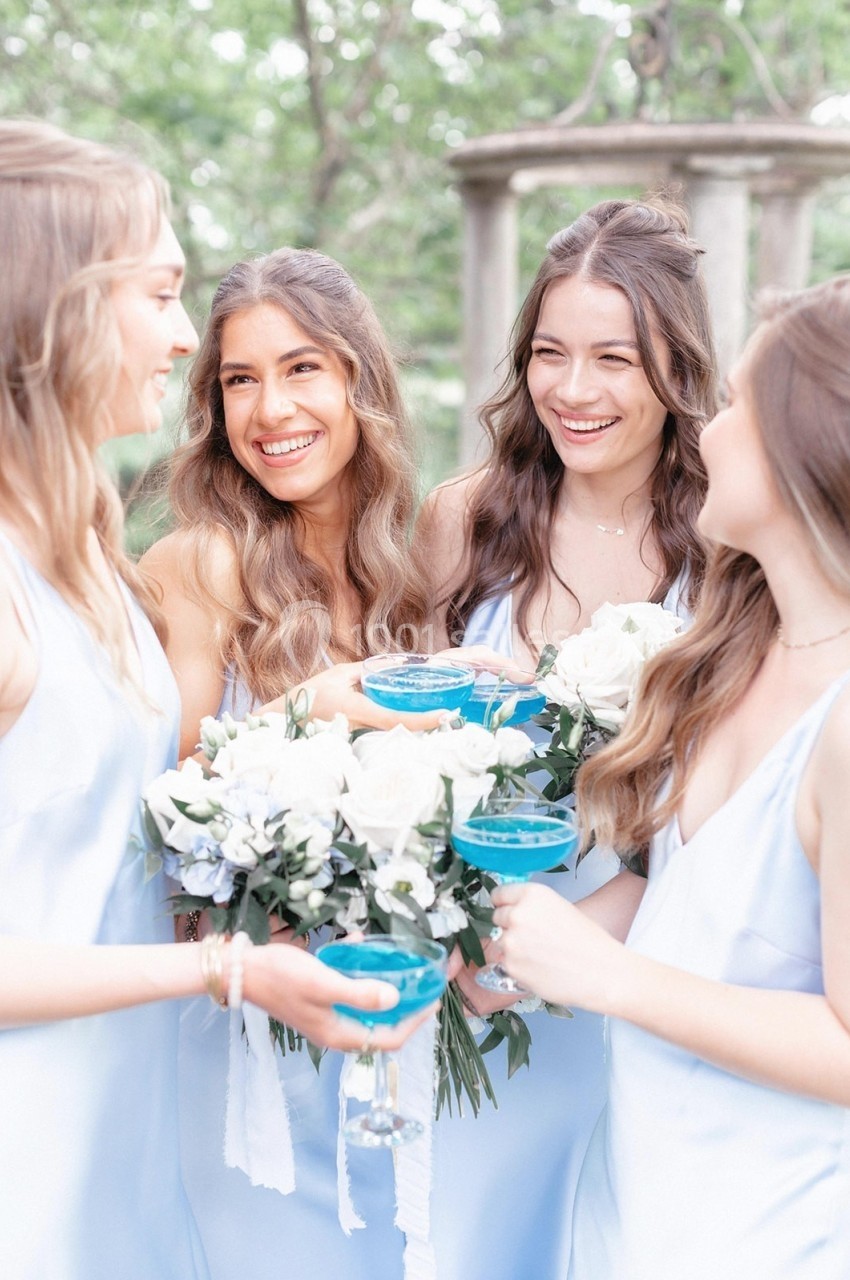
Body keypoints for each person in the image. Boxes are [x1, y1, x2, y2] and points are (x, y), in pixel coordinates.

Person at [0, 120, 430, 1280]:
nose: (187, 338)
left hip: (122, 1127)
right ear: (59, 303)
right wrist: (225, 966)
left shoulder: (81, 549)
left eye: (301, 367)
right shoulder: (65, 577)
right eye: (165, 292)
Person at [493, 276, 850, 1280]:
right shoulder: (739, 643)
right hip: (634, 1207)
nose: (709, 430)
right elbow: (709, 909)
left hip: (774, 1231)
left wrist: (614, 980)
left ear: (806, 442)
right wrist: (521, 942)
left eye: (737, 403)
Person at [140, 247, 458, 1278]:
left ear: (359, 378)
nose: (269, 409)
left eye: (301, 368)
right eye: (239, 380)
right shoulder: (201, 562)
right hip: (243, 1035)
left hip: (377, 1034)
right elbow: (170, 812)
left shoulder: (406, 575)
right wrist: (302, 708)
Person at [415, 198, 718, 1278]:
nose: (572, 391)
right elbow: (398, 747)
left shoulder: (728, 553)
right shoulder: (465, 519)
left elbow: (726, 802)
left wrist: (579, 939)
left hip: (638, 986)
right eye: (548, 353)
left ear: (675, 369)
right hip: (465, 985)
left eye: (612, 358)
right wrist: (455, 936)